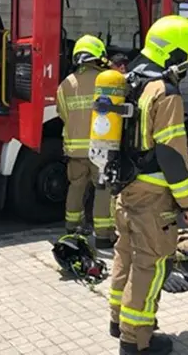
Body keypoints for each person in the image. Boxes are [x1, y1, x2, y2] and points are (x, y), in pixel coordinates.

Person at [107, 15, 188, 355]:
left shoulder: (129, 79)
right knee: (150, 264)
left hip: (125, 188)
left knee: (125, 253)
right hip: (152, 195)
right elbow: (172, 155)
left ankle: (118, 319)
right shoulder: (165, 91)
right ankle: (137, 341)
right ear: (175, 55)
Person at [57, 35, 118, 248]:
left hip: (74, 149)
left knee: (76, 187)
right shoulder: (106, 79)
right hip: (100, 148)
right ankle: (103, 235)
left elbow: (63, 114)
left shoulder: (65, 84)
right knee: (103, 189)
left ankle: (71, 228)